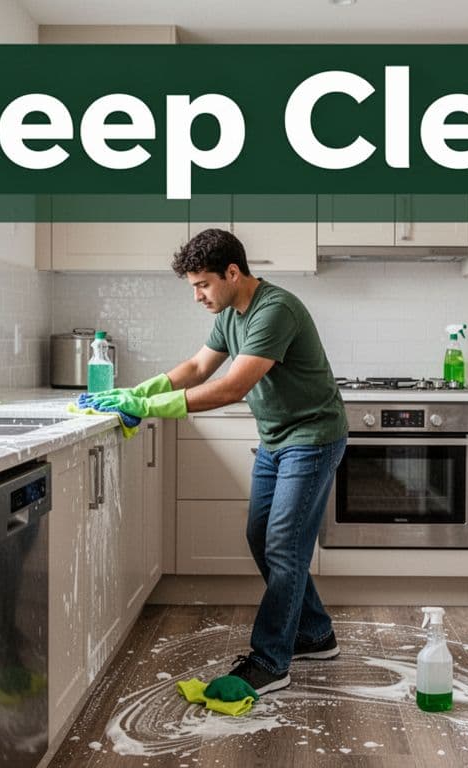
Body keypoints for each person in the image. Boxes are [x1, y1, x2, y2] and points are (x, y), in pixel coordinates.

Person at [89, 228, 348, 696]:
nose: (197, 296)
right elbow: (196, 369)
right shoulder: (230, 314)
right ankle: (315, 633)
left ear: (233, 273)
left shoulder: (275, 310)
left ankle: (271, 661)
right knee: (260, 536)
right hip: (276, 440)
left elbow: (231, 388)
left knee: (284, 547)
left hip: (312, 438)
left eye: (202, 284)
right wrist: (138, 392)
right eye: (193, 286)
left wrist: (150, 409)